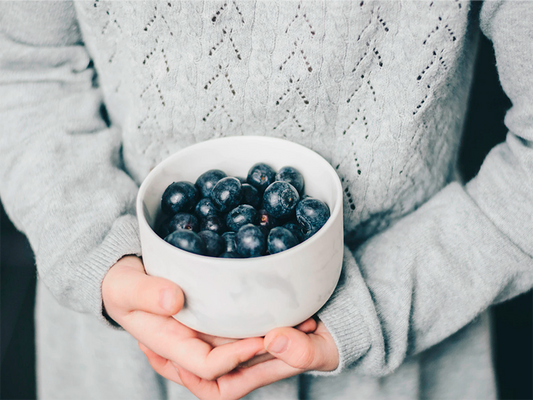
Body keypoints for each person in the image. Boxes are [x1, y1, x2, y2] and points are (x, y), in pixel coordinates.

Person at [0, 0, 532, 399]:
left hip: (405, 341)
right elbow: (27, 68)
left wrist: (383, 305)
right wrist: (95, 249)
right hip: (122, 360)